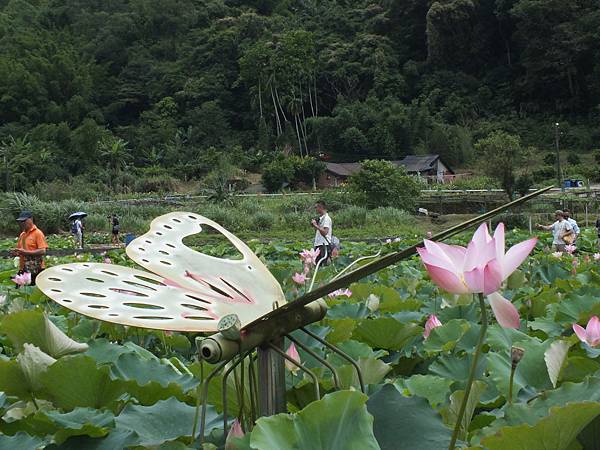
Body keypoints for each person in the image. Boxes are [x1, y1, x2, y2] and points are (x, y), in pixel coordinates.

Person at [12, 211, 48, 285]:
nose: (22, 223)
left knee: (34, 290)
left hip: (36, 268)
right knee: (20, 290)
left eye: (24, 221)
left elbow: (43, 251)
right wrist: (16, 252)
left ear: (31, 219)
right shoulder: (22, 234)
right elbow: (20, 250)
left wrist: (26, 252)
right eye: (21, 221)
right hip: (23, 267)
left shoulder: (38, 233)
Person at [311, 201, 332, 266]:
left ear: (321, 207)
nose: (316, 209)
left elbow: (325, 232)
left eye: (316, 207)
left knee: (323, 264)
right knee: (317, 264)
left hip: (324, 244)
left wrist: (316, 226)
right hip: (319, 244)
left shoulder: (326, 219)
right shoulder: (321, 218)